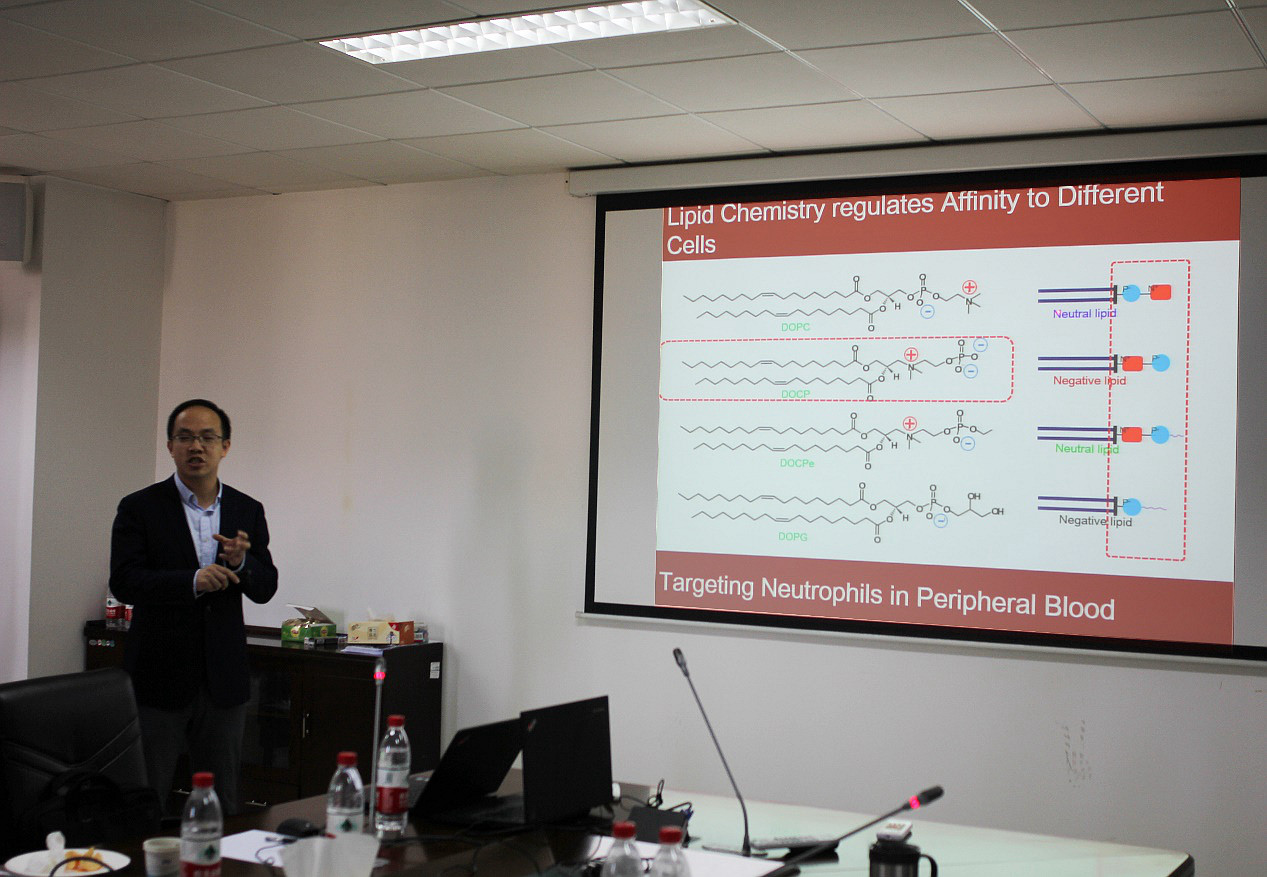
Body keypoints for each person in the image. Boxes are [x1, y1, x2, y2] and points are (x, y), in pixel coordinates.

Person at [109, 399, 278, 814]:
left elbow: (266, 587)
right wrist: (191, 581)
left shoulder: (246, 509)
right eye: (185, 437)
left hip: (223, 679)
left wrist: (241, 564)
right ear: (170, 446)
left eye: (207, 437)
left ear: (225, 447)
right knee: (146, 799)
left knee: (221, 803)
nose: (196, 446)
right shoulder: (140, 507)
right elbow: (125, 581)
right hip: (158, 676)